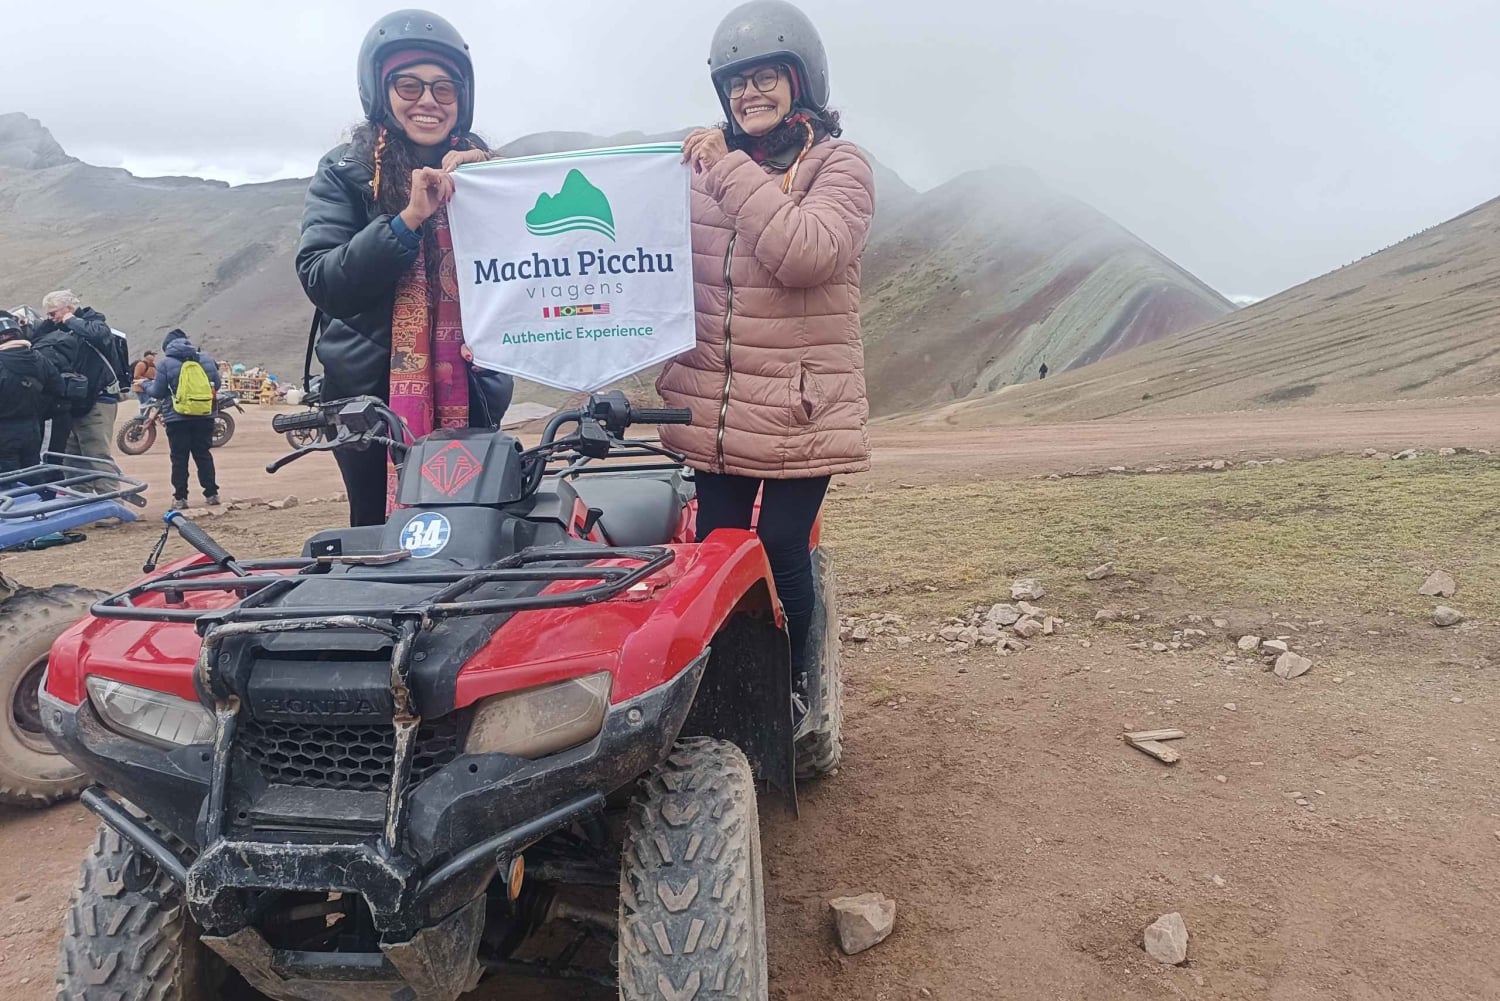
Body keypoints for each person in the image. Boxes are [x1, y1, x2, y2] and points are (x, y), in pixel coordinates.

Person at [663, 0, 875, 696]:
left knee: (782, 546)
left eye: (764, 77)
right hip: (714, 408)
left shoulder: (840, 167)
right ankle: (730, 684)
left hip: (796, 406)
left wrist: (726, 170)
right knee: (717, 552)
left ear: (800, 79)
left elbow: (806, 253)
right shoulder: (699, 172)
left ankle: (795, 685)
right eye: (735, 83)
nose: (747, 94)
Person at [297, 8, 514, 527]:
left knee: (474, 525)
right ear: (381, 91)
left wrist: (496, 196)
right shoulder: (346, 172)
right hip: (365, 404)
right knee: (375, 530)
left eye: (444, 89)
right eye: (409, 85)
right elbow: (325, 282)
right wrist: (409, 219)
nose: (428, 101)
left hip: (474, 388)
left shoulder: (491, 173)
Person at [33, 290, 126, 465]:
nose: (50, 318)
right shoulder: (56, 329)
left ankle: (109, 492)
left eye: (53, 313)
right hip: (73, 402)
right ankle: (78, 491)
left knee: (97, 456)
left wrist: (71, 320)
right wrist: (47, 323)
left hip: (98, 399)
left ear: (68, 308)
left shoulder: (95, 323)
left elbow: (99, 335)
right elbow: (36, 343)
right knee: (71, 458)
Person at [147, 329, 222, 510]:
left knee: (179, 458)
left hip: (177, 417)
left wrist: (145, 386)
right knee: (203, 454)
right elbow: (217, 385)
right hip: (204, 415)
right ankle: (211, 493)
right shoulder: (206, 359)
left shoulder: (165, 364)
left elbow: (157, 392)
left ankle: (181, 498)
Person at [0, 312, 62, 474]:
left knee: (7, 483)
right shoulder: (40, 359)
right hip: (33, 428)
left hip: (4, 431)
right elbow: (58, 388)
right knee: (32, 474)